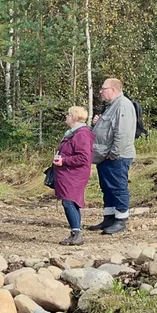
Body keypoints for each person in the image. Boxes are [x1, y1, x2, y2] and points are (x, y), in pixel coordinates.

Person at [90, 77, 137, 235]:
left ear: (113, 90)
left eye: (103, 89)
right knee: (107, 188)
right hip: (104, 156)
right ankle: (109, 218)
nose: (101, 92)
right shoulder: (111, 106)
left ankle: (121, 219)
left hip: (117, 156)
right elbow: (108, 128)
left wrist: (114, 153)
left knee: (118, 187)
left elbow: (122, 132)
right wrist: (96, 123)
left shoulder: (122, 105)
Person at [53, 106, 95, 246]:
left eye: (69, 114)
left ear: (75, 118)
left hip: (74, 174)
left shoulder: (81, 134)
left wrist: (64, 161)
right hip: (69, 173)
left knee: (69, 201)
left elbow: (84, 157)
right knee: (70, 201)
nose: (66, 116)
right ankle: (75, 233)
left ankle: (76, 234)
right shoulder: (74, 133)